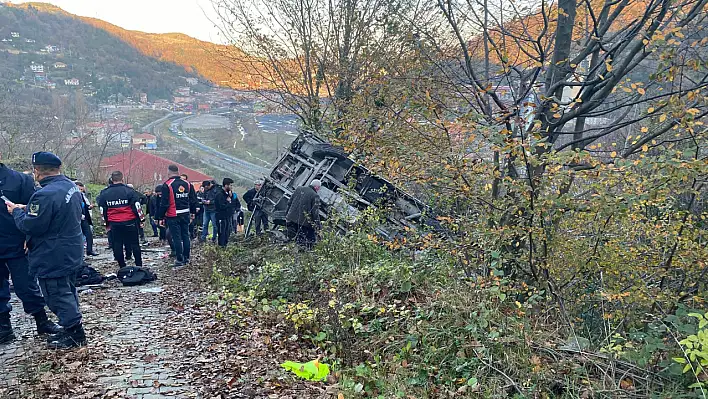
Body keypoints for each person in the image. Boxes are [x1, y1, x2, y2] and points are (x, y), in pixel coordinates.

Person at [7, 152, 86, 348]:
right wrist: (28, 208)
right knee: (67, 290)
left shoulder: (43, 194)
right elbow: (57, 212)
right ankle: (71, 328)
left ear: (37, 171)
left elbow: (30, 226)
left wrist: (16, 211)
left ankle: (74, 333)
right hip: (71, 249)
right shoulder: (70, 186)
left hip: (52, 253)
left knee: (56, 294)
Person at [1, 159, 62, 344]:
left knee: (26, 286)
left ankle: (42, 321)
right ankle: (4, 328)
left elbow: (34, 213)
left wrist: (29, 237)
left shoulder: (19, 180)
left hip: (16, 243)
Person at [98, 171, 144, 270]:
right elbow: (137, 207)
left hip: (114, 223)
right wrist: (141, 220)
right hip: (130, 221)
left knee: (117, 244)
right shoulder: (130, 191)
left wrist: (106, 224)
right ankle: (139, 266)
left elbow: (102, 209)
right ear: (122, 179)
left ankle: (122, 266)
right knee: (135, 244)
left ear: (112, 179)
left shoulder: (104, 193)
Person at [157, 165, 196, 267]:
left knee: (176, 237)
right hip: (185, 213)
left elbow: (164, 203)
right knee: (186, 235)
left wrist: (160, 217)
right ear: (178, 172)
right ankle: (186, 257)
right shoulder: (187, 184)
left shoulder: (167, 185)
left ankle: (179, 259)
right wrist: (192, 213)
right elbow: (193, 200)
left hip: (173, 215)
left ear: (169, 172)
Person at [285, 179, 322, 249]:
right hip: (303, 223)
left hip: (290, 219)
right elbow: (315, 213)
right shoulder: (315, 196)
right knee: (308, 239)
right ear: (317, 187)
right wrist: (318, 227)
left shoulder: (299, 189)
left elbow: (289, 203)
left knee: (290, 238)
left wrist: (287, 215)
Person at [76, 182, 98, 257]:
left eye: (81, 189)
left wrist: (89, 207)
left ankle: (89, 250)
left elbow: (84, 206)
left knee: (89, 235)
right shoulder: (74, 197)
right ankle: (80, 254)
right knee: (79, 237)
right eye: (79, 189)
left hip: (84, 219)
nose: (80, 191)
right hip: (77, 219)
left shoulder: (82, 196)